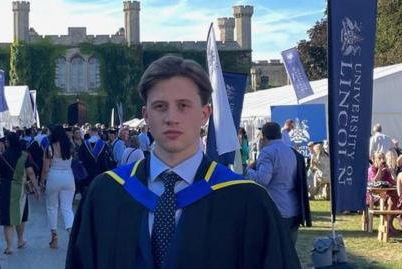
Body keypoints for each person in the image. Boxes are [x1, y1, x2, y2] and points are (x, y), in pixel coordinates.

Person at [66, 55, 300, 269]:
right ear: (146, 115)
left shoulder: (248, 201)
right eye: (160, 106)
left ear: (205, 114)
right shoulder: (107, 193)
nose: (171, 118)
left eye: (183, 106)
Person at [246, 122, 311, 245]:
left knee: (274, 253)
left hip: (276, 209)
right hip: (294, 208)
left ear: (263, 136)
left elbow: (262, 180)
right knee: (290, 252)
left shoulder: (267, 152)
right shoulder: (291, 151)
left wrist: (249, 170)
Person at [0, 132, 39, 255]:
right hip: (20, 188)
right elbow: (30, 173)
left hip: (5, 188)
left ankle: (9, 246)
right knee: (21, 214)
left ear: (7, 142)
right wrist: (36, 188)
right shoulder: (25, 155)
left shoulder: (1, 156)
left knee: (8, 218)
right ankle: (20, 240)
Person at [41, 125, 75, 249]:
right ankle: (72, 234)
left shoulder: (49, 147)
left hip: (53, 176)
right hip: (68, 176)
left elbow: (45, 168)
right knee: (67, 208)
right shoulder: (70, 146)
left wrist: (42, 182)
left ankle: (54, 236)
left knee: (52, 207)